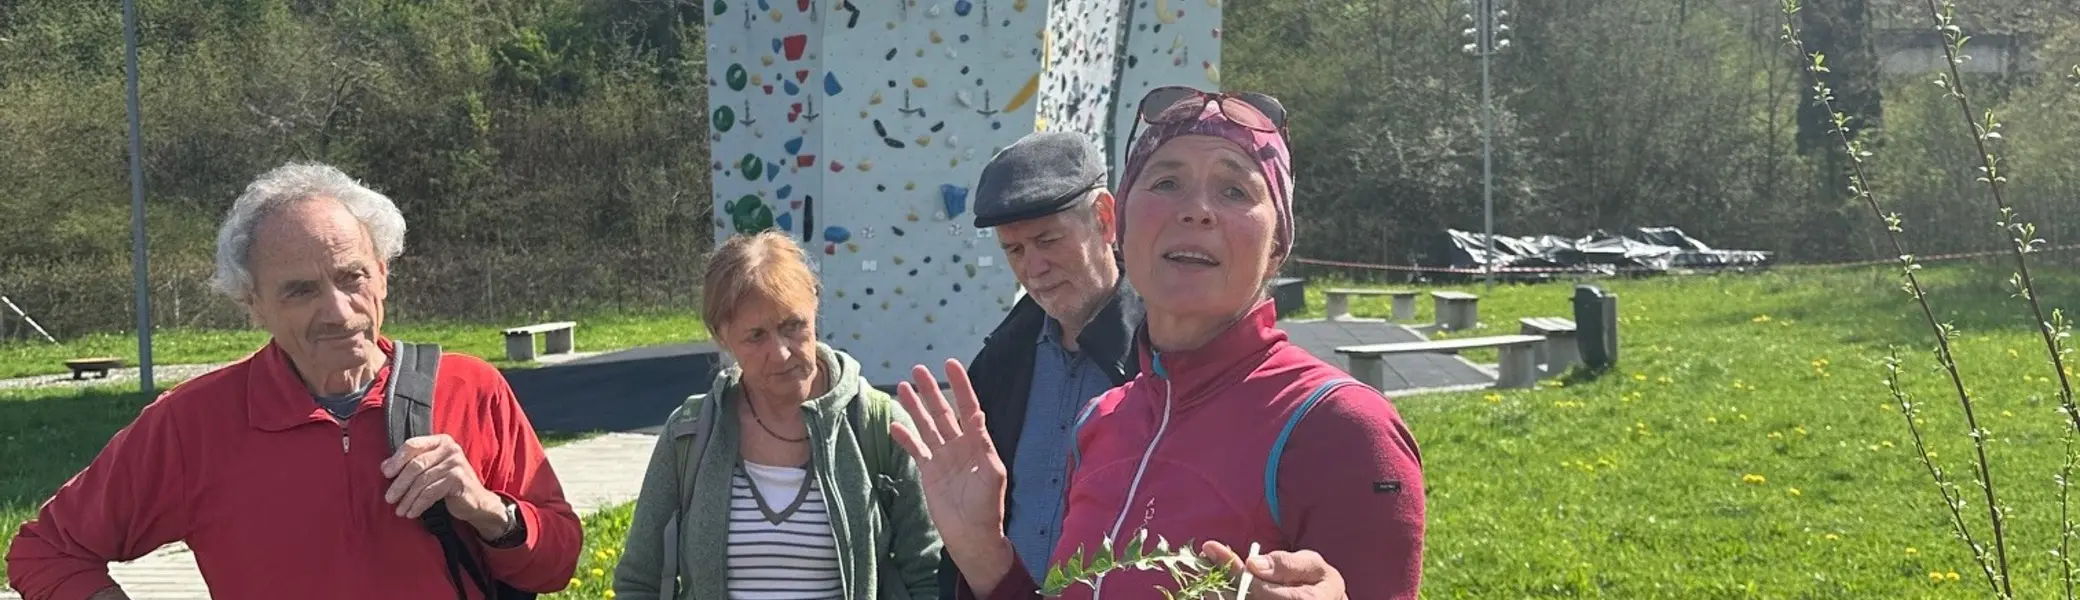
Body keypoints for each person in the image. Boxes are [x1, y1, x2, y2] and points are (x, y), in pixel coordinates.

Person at [889, 86, 1426, 599]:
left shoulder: (1343, 427)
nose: (1196, 209)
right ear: (1124, 219)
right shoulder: (1101, 422)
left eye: (1235, 189)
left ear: (1278, 244)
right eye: (1166, 183)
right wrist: (982, 549)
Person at [5, 163, 582, 600]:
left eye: (352, 275)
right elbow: (46, 552)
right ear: (253, 304)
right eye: (300, 290)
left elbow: (555, 564)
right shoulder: (194, 422)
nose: (337, 310)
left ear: (383, 273)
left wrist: (486, 509)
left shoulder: (469, 387)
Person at [612, 230, 942, 599]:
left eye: (793, 326)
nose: (782, 353)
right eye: (756, 336)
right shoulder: (689, 434)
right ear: (722, 336)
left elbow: (927, 572)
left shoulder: (879, 426)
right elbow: (639, 581)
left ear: (814, 306)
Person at [938, 130, 1146, 598]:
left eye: (1047, 240)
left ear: (1105, 220)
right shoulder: (999, 363)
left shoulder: (1164, 358)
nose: (1033, 268)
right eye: (1015, 250)